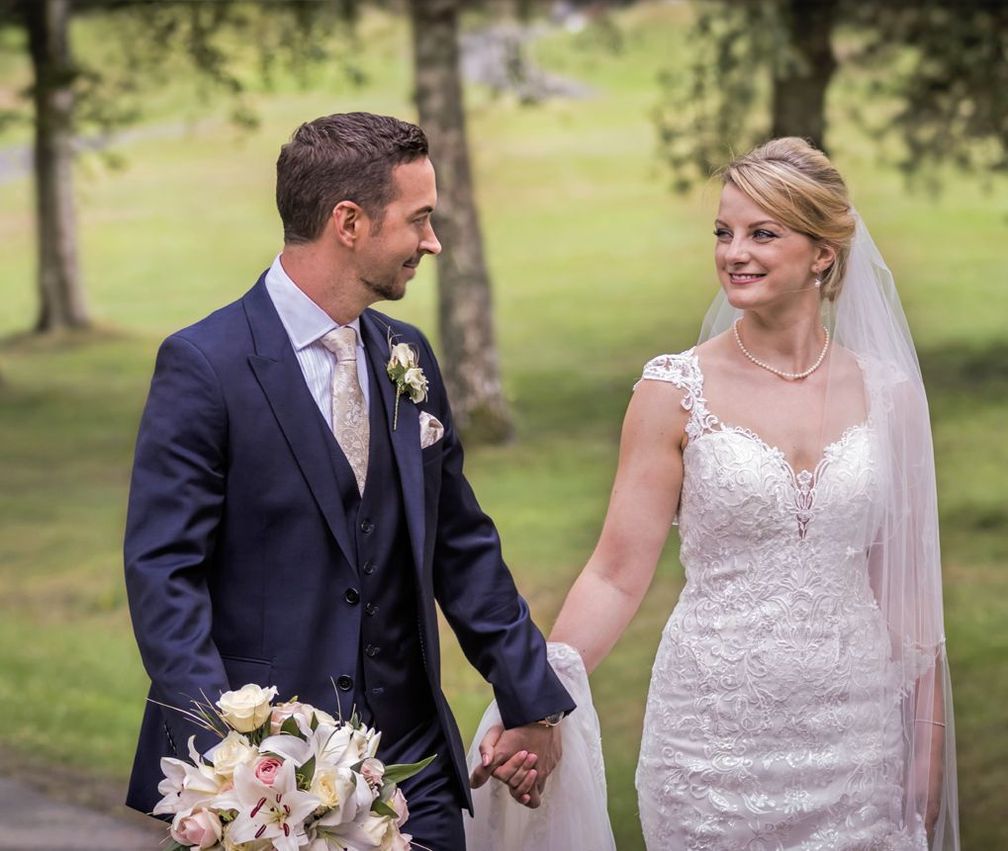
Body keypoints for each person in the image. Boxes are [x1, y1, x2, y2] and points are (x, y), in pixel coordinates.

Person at [476, 137, 960, 849]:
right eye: (724, 232)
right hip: (711, 741)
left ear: (823, 253)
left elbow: (909, 595)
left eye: (763, 233)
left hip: (858, 739)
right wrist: (539, 700)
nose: (735, 252)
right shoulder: (673, 392)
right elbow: (614, 572)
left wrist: (925, 746)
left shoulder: (890, 396)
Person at [123, 111, 575, 849]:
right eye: (419, 219)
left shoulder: (408, 354)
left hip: (414, 765)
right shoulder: (205, 365)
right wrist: (233, 762)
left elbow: (460, 543)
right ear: (349, 221)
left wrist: (532, 700)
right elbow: (163, 575)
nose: (433, 241)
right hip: (270, 788)